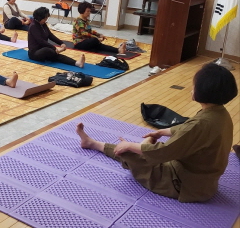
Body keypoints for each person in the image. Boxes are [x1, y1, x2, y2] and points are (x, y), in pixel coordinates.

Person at [76, 63, 238, 202]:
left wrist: (130, 146)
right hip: (204, 184)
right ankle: (103, 144)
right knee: (144, 148)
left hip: (183, 185)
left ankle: (92, 143)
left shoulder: (202, 123)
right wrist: (163, 131)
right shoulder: (220, 114)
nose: (192, 88)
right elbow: (188, 130)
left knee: (131, 154)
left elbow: (164, 151)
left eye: (194, 85)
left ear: (202, 91)